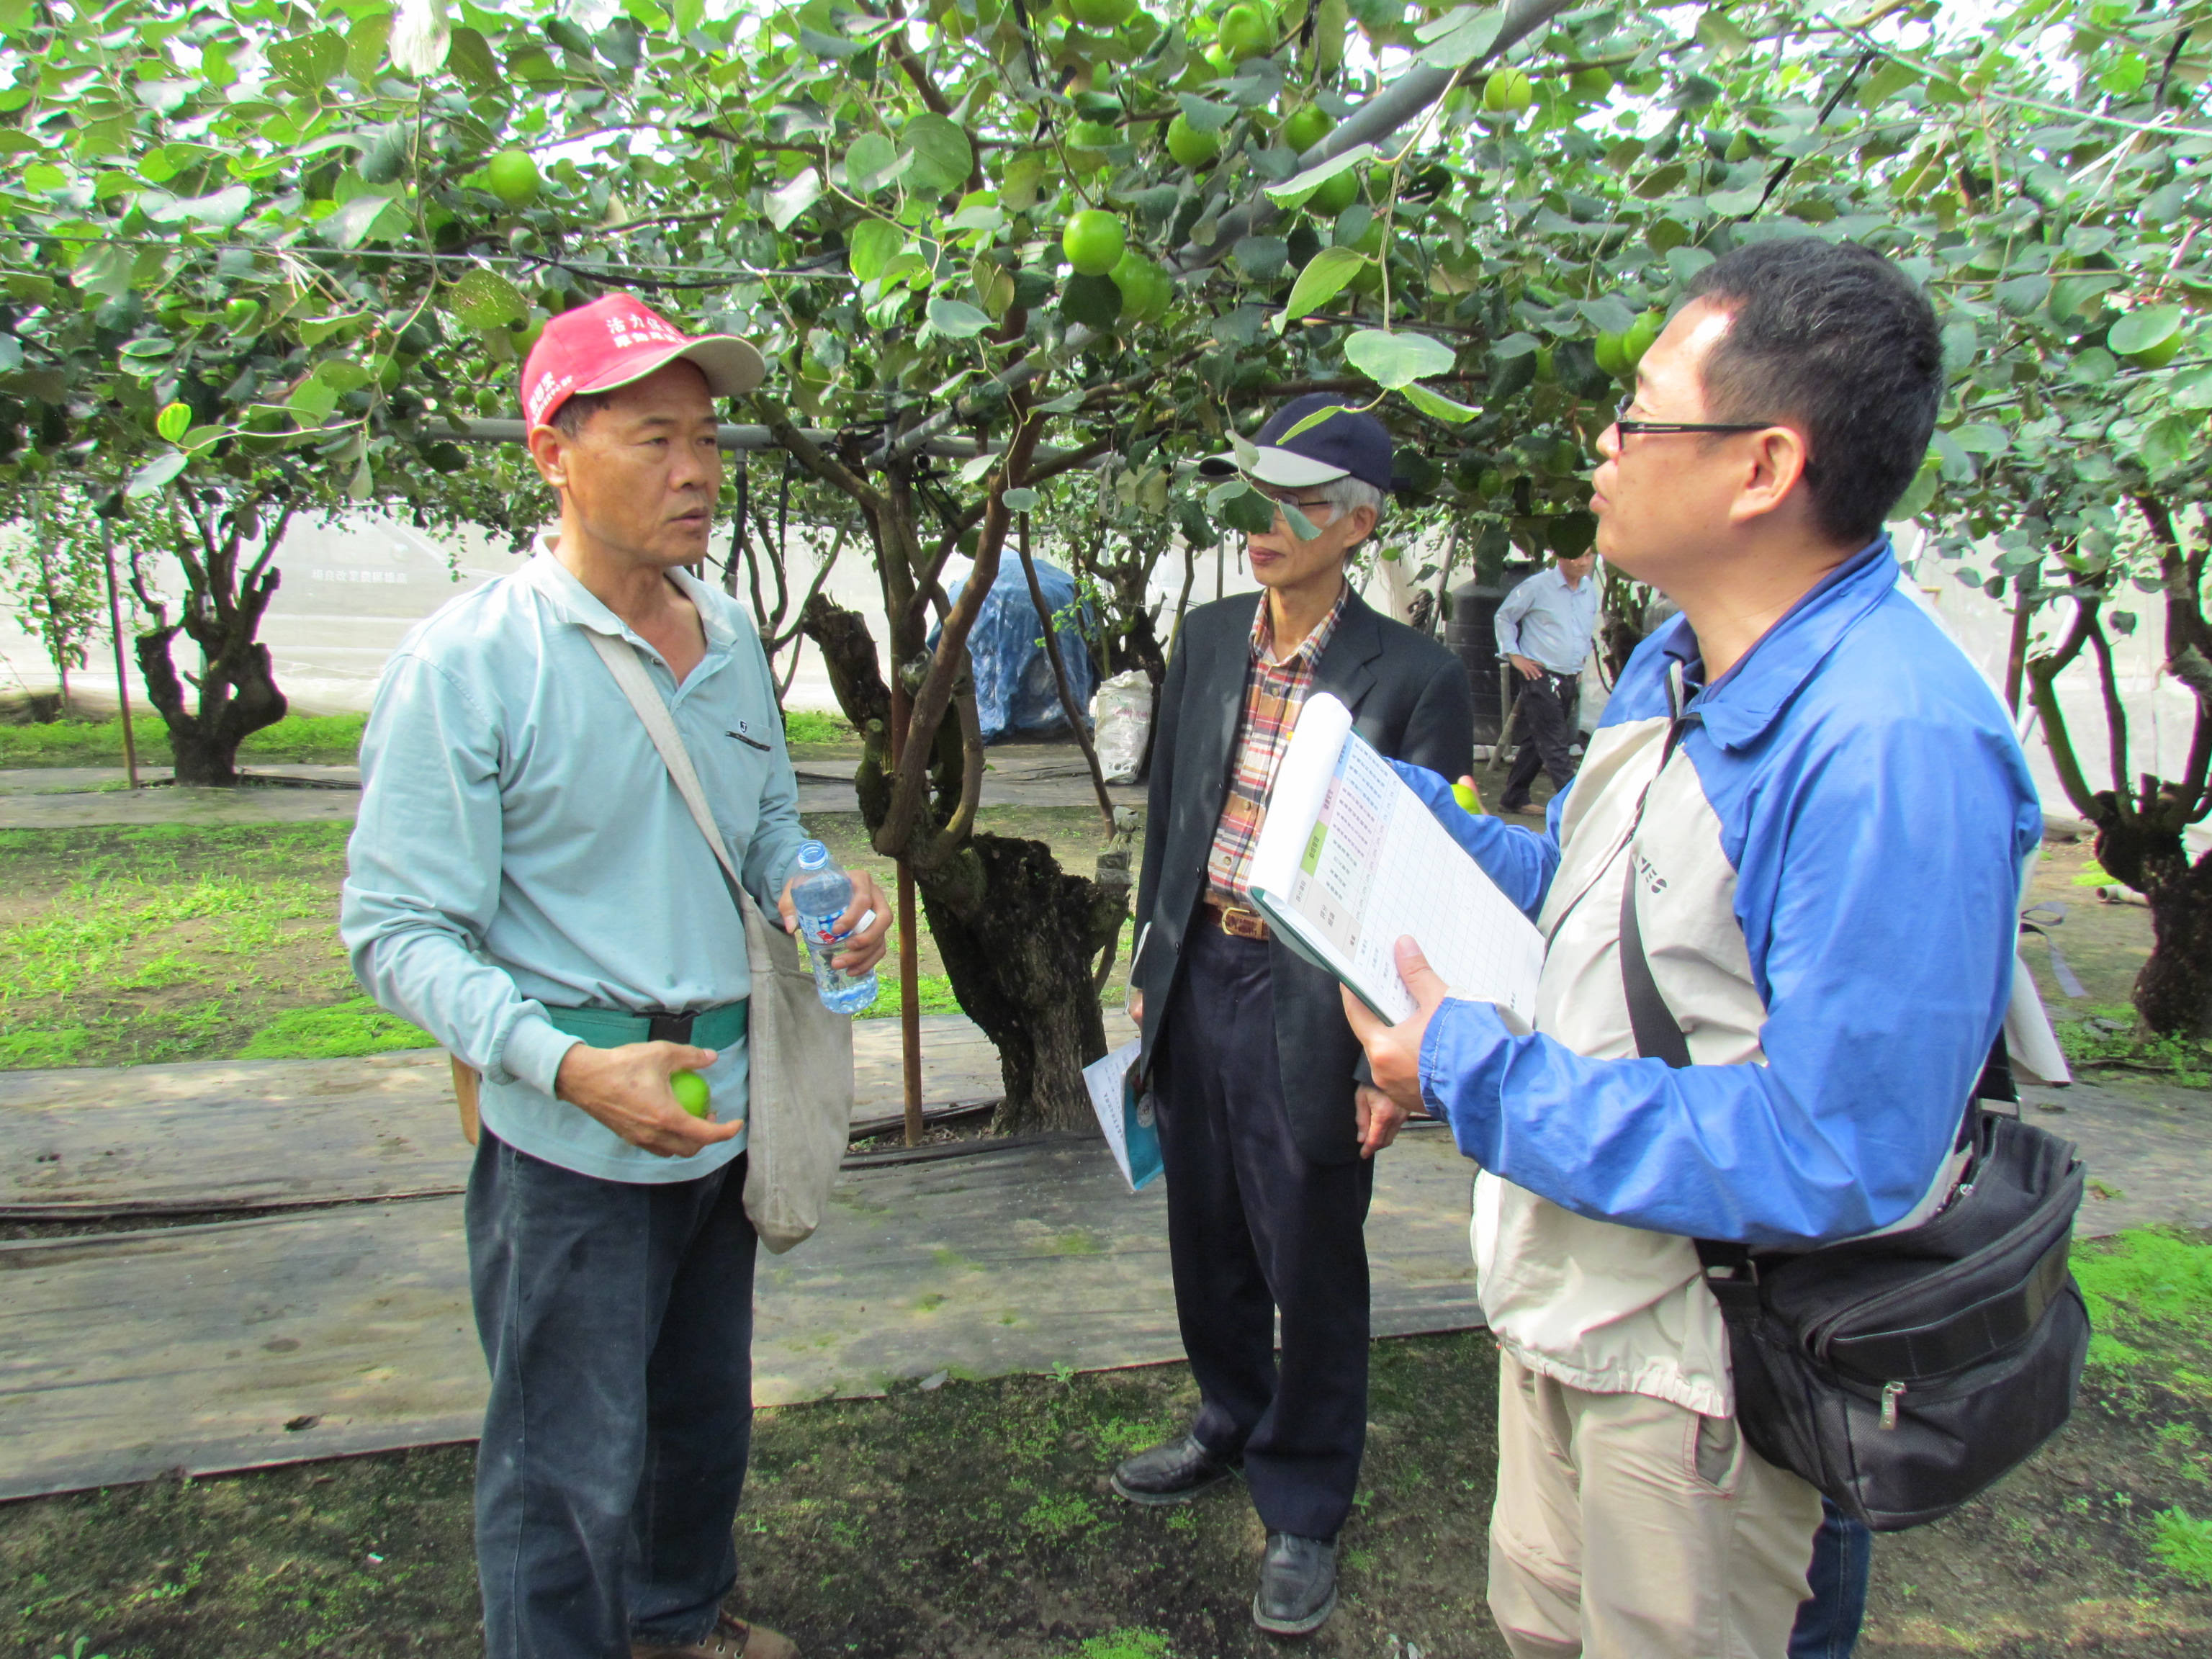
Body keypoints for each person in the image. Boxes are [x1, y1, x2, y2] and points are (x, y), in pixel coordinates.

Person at [1341, 239, 2044, 1658]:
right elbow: (1607, 915)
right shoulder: (1679, 669)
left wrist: (1472, 1073)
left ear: (1762, 467)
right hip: (1580, 1315)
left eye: (1640, 416)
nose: (1602, 449)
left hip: (1710, 1376)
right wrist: (1405, 817)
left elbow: (1839, 1149)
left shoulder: (1886, 742)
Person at [341, 293, 890, 1659]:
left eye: (705, 438)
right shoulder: (475, 664)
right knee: (561, 1467)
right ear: (553, 450)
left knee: (701, 1413)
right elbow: (396, 926)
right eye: (654, 438)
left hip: (721, 1103)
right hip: (571, 1136)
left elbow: (762, 822)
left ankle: (675, 1618)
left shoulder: (728, 640)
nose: (697, 469)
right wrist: (571, 1067)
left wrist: (818, 894)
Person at [1115, 395, 1474, 1637]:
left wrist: (1387, 1067)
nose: (1265, 522)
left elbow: (1416, 879)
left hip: (1313, 999)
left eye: (1299, 499)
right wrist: (1147, 954)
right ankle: (1228, 1410)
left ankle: (1306, 1500)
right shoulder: (1209, 634)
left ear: (1359, 522)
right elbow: (1171, 804)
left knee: (1311, 1245)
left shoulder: (1416, 675)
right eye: (1254, 492)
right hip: (1200, 969)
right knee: (1203, 1218)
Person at [1493, 549, 1599, 814]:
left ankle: (1514, 797)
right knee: (1555, 743)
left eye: (1589, 555)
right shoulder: (1538, 586)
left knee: (1537, 740)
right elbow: (1504, 617)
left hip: (1570, 676)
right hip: (1539, 675)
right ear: (1560, 555)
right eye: (1577, 554)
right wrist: (1514, 655)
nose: (1583, 561)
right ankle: (1577, 809)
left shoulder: (1588, 590)